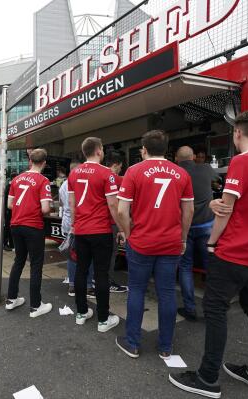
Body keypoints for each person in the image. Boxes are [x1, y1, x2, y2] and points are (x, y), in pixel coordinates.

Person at [169, 110, 248, 398]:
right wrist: (219, 203)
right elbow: (242, 203)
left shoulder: (243, 161)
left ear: (237, 133)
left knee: (215, 310)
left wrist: (211, 243)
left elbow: (227, 209)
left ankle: (207, 378)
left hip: (233, 250)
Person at [115, 131, 194, 360]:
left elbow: (121, 210)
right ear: (166, 149)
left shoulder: (134, 171)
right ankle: (165, 346)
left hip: (141, 242)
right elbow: (188, 211)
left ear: (144, 149)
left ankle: (132, 343)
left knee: (137, 289)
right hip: (171, 242)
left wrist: (128, 235)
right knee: (167, 292)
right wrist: (183, 237)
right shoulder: (181, 173)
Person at [68, 137, 122, 332]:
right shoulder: (106, 174)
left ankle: (81, 313)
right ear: (99, 151)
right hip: (101, 231)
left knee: (81, 271)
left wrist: (75, 224)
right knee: (101, 273)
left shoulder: (73, 174)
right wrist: (122, 228)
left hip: (81, 230)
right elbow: (113, 205)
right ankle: (103, 319)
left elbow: (72, 205)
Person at [5, 149, 53, 317]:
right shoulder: (43, 180)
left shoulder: (16, 179)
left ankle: (11, 299)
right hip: (33, 225)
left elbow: (10, 205)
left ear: (30, 161)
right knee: (36, 264)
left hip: (16, 225)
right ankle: (35, 305)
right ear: (44, 163)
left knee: (18, 261)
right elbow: (46, 208)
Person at [175, 145, 220, 321]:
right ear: (193, 157)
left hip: (184, 227)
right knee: (211, 267)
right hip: (206, 225)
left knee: (185, 267)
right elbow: (218, 180)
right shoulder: (206, 168)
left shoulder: (175, 173)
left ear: (177, 159)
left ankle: (190, 308)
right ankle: (212, 310)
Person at [59, 160, 95, 298]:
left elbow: (62, 203)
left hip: (67, 223)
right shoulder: (79, 182)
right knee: (88, 254)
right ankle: (88, 286)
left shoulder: (63, 185)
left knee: (72, 255)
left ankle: (73, 285)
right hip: (79, 222)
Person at [104, 150, 128, 294]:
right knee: (111, 254)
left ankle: (98, 280)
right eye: (120, 166)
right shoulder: (116, 179)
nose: (120, 169)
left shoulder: (99, 175)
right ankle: (108, 282)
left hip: (98, 222)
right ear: (116, 164)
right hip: (112, 222)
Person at [3, 173, 18, 251]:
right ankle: (7, 244)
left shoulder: (10, 186)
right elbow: (7, 201)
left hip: (10, 210)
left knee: (10, 227)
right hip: (9, 211)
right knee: (8, 227)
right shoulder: (10, 187)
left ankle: (11, 244)